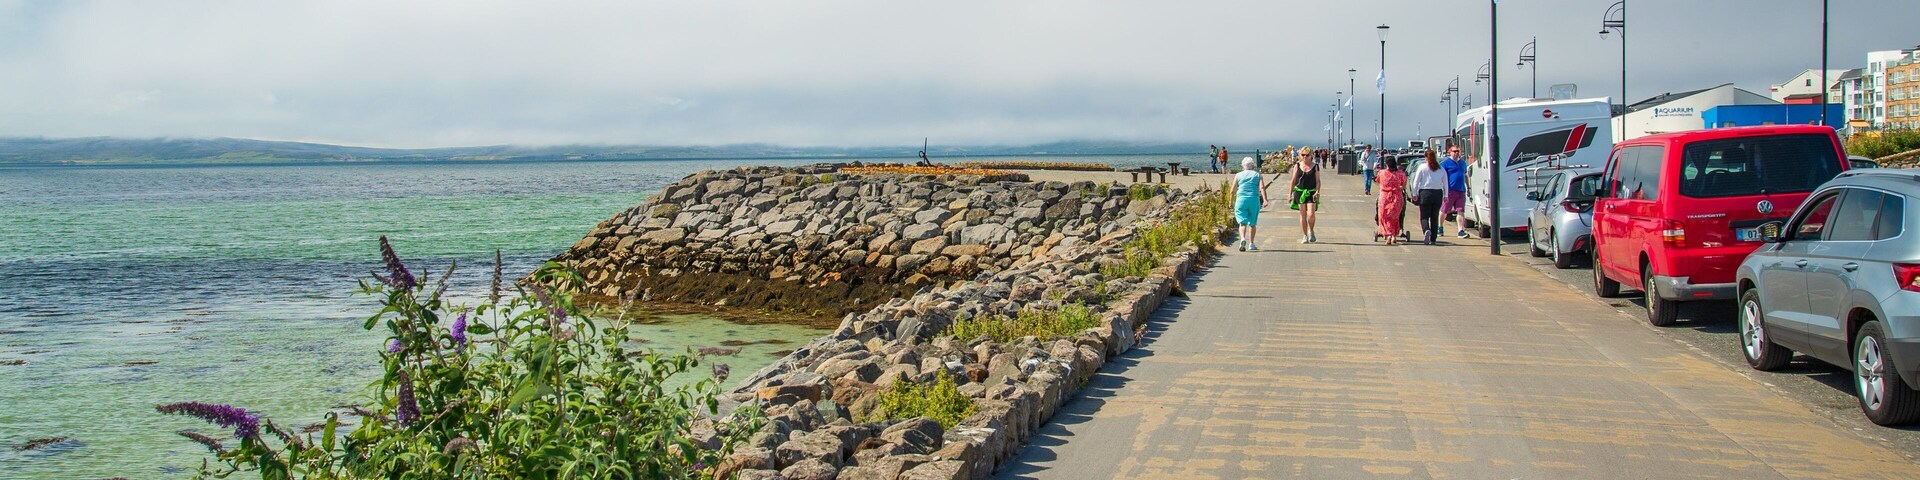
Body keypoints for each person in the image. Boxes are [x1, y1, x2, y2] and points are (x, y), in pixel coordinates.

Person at [1229, 157, 1268, 251]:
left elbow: (1232, 190)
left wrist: (1230, 201)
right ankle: (1251, 244)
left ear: (1243, 166)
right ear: (1253, 166)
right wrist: (1265, 200)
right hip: (1254, 199)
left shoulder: (1238, 175)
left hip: (1241, 200)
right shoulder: (1258, 175)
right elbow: (1262, 188)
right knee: (1252, 224)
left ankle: (1242, 238)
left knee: (1242, 223)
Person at [1411, 149, 1448, 245]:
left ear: (1425, 158)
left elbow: (1416, 181)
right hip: (1438, 193)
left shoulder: (1422, 167)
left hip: (1425, 193)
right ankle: (1433, 239)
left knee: (1424, 216)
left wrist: (1414, 193)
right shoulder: (1441, 168)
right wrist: (1446, 195)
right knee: (1434, 217)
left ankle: (1426, 230)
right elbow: (1445, 183)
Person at [1289, 148, 1322, 243]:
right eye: (1303, 155)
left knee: (1311, 214)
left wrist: (1317, 191)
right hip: (1299, 192)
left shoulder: (1315, 166)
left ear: (1311, 155)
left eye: (1307, 155)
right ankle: (1304, 235)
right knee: (1302, 214)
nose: (1305, 157)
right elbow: (1293, 181)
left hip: (1311, 192)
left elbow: (1318, 181)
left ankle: (1311, 230)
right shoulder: (1297, 166)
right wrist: (1290, 194)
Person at [1375, 156, 1407, 245]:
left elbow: (1378, 180)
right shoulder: (1400, 174)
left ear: (1387, 164)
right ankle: (1393, 235)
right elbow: (1404, 184)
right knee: (1395, 217)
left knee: (1384, 216)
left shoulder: (1382, 173)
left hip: (1384, 197)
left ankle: (1388, 234)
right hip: (1397, 197)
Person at [1441, 144, 1470, 238]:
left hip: (1461, 190)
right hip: (1449, 190)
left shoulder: (1463, 163)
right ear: (1450, 152)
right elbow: (1441, 176)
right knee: (1445, 210)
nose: (1456, 153)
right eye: (1454, 151)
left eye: (1458, 151)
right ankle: (1440, 227)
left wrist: (1468, 187)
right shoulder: (1445, 163)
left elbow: (1465, 175)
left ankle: (1460, 230)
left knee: (1460, 210)